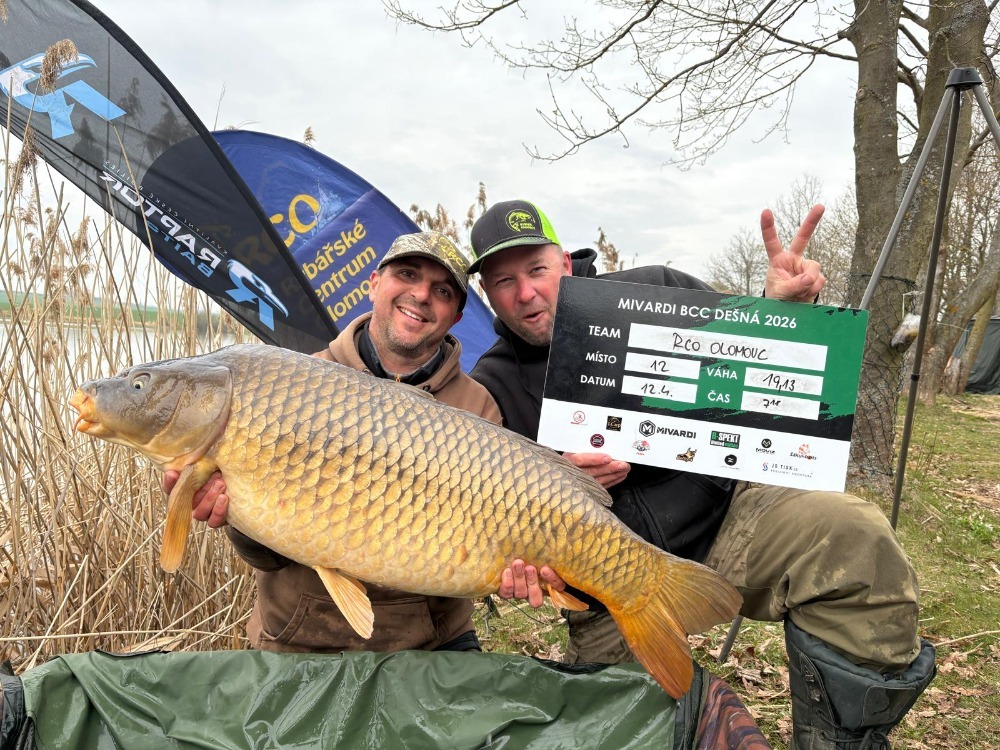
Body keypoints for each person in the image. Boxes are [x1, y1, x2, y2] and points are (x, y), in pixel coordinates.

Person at [468, 199, 937, 749]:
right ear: (488, 292)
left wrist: (784, 313)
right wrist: (560, 482)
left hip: (724, 522)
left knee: (853, 536)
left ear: (565, 263)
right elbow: (498, 512)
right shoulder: (491, 384)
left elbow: (751, 365)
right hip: (607, 583)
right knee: (612, 730)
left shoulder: (656, 290)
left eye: (537, 270)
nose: (526, 293)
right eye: (504, 281)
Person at [164, 231, 555, 653]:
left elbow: (481, 560)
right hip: (299, 637)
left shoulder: (476, 408)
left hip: (433, 644)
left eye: (442, 291)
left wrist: (512, 574)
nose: (421, 295)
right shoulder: (290, 387)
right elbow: (266, 557)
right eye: (407, 274)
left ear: (456, 317)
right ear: (374, 283)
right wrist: (232, 516)